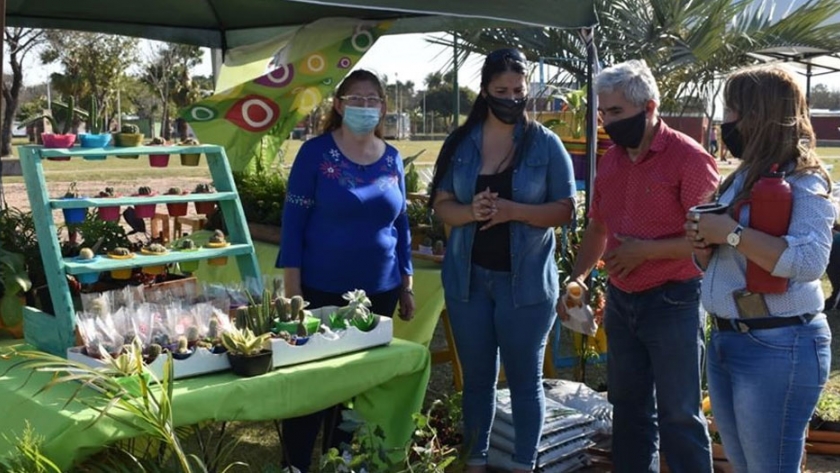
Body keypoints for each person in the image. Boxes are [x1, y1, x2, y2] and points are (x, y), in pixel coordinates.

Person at [557, 59, 718, 473]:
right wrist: (578, 276)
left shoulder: (689, 159)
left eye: (615, 113)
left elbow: (709, 240)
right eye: (603, 112)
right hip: (621, 301)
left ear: (648, 108)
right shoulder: (610, 162)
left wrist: (643, 252)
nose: (606, 122)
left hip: (674, 300)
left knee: (679, 413)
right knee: (627, 410)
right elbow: (597, 227)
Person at [429, 47, 576, 472]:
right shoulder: (460, 142)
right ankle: (475, 463)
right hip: (468, 283)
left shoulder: (545, 144)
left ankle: (524, 465)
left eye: (518, 90)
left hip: (526, 285)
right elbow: (442, 205)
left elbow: (567, 210)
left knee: (526, 382)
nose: (511, 98)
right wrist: (471, 212)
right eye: (501, 90)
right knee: (477, 382)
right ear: (484, 91)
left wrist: (515, 211)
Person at [686, 64, 833, 472]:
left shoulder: (805, 181)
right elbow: (717, 261)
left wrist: (731, 233)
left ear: (758, 117)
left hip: (779, 344)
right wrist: (702, 243)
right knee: (745, 464)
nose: (723, 122)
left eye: (731, 111)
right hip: (730, 339)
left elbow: (808, 261)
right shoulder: (743, 177)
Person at [276, 69, 415, 473]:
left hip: (380, 294)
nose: (365, 107)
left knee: (353, 389)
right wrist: (293, 294)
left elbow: (401, 223)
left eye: (373, 100)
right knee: (313, 388)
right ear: (339, 105)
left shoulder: (391, 158)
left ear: (384, 107)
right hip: (320, 293)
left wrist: (406, 283)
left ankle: (340, 463)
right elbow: (293, 224)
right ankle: (294, 465)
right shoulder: (315, 153)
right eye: (356, 99)